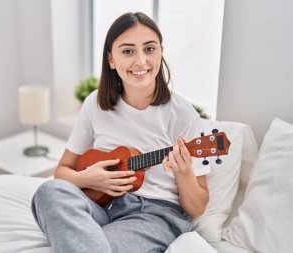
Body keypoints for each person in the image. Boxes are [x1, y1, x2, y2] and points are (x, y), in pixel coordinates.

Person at [31, 12, 210, 253]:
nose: (140, 61)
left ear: (160, 52)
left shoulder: (183, 115)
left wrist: (185, 171)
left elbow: (197, 209)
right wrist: (88, 179)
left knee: (101, 245)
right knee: (48, 191)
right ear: (111, 60)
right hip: (99, 205)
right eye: (128, 51)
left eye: (149, 49)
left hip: (153, 214)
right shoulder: (95, 104)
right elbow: (61, 172)